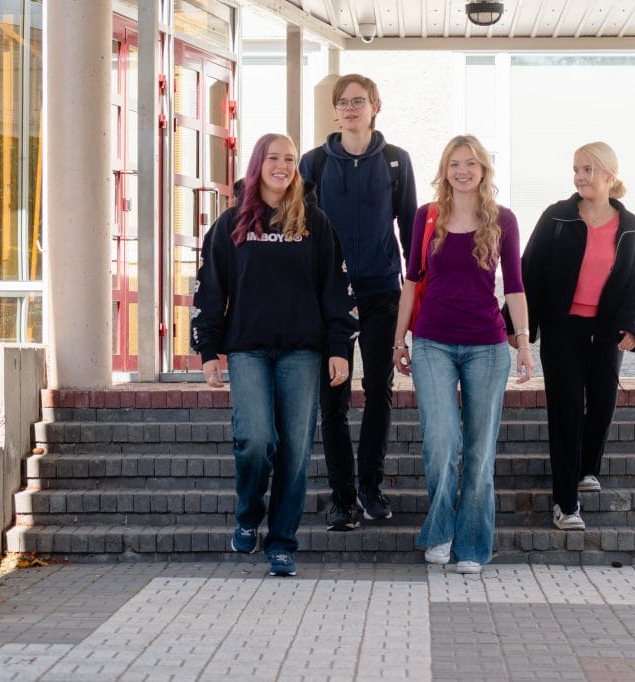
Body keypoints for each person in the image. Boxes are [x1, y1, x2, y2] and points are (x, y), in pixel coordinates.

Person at [192, 133, 356, 577]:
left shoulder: (315, 224)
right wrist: (208, 349)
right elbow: (210, 292)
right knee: (256, 440)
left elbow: (335, 293)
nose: (282, 166)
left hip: (303, 352)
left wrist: (339, 348)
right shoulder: (230, 226)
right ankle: (248, 514)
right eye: (273, 158)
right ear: (257, 164)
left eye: (289, 159)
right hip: (247, 349)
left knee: (296, 451)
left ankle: (282, 542)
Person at [393, 135, 534, 574]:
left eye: (471, 163)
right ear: (445, 169)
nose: (463, 170)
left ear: (483, 170)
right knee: (441, 442)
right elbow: (412, 282)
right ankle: (440, 532)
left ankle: (472, 544)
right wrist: (399, 341)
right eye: (455, 163)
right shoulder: (426, 217)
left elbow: (514, 287)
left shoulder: (503, 221)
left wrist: (524, 343)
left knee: (478, 450)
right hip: (432, 342)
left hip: (487, 348)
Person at [300, 74, 418, 531]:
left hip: (381, 292)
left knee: (379, 392)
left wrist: (413, 303)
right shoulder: (313, 163)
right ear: (335, 111)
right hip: (327, 299)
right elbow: (300, 232)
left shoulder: (395, 162)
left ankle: (370, 486)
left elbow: (411, 232)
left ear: (375, 106)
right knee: (332, 400)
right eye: (343, 102)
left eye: (359, 101)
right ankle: (342, 498)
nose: (351, 108)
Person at [511, 141, 635, 531]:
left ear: (609, 175)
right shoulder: (558, 217)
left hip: (605, 330)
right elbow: (530, 269)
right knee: (566, 410)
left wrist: (632, 327)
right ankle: (565, 503)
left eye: (588, 169)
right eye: (576, 169)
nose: (580, 177)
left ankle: (588, 466)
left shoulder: (630, 228)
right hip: (563, 327)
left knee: (602, 403)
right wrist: (518, 325)